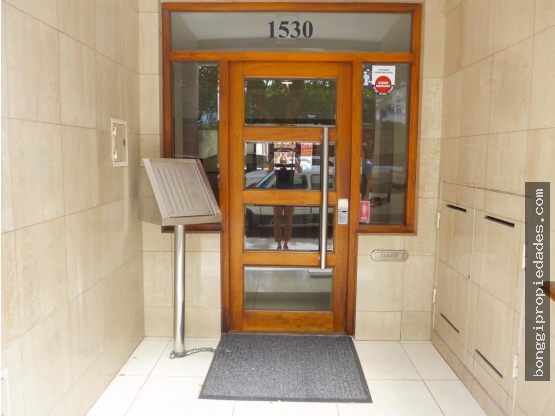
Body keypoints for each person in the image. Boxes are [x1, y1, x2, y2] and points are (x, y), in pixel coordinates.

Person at [268, 155, 302, 249]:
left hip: (289, 194)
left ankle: (286, 243)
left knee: (288, 220)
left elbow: (300, 171)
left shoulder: (292, 162)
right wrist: (275, 158)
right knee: (277, 220)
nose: (284, 155)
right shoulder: (277, 163)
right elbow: (269, 170)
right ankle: (279, 244)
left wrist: (294, 159)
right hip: (278, 193)